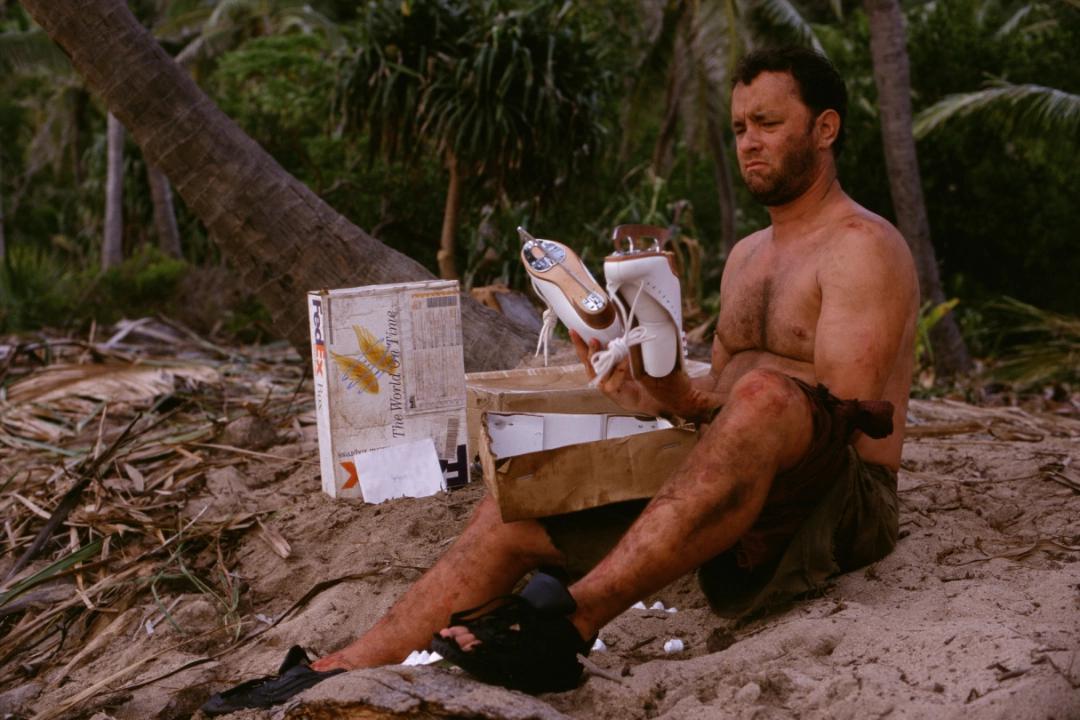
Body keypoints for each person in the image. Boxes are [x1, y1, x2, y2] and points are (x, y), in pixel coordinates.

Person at [309, 45, 919, 690]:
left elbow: (848, 412)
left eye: (768, 123)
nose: (748, 142)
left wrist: (693, 401)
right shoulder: (747, 255)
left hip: (837, 504)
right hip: (737, 487)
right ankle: (341, 666)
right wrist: (650, 392)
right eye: (740, 127)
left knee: (767, 394)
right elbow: (723, 401)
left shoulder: (862, 246)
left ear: (825, 128)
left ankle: (566, 625)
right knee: (521, 509)